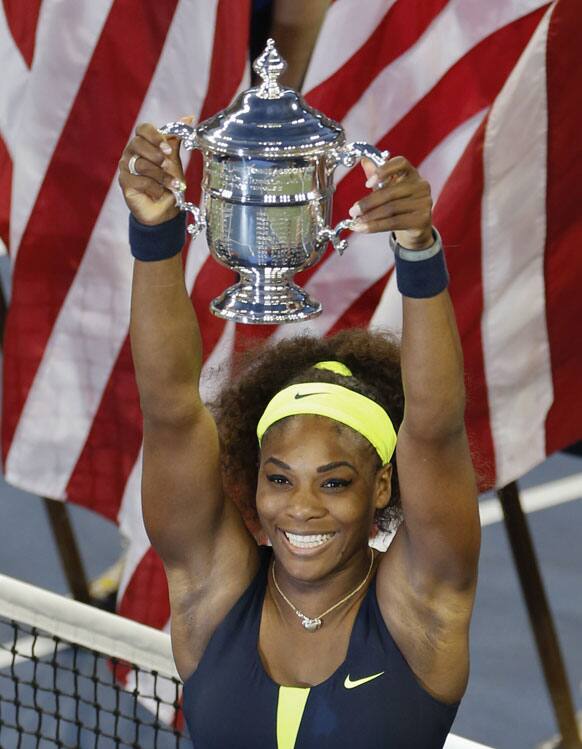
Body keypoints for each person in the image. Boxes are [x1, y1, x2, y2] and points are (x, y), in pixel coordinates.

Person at [118, 122, 480, 748]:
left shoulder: (419, 608)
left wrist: (418, 252)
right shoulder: (213, 589)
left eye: (334, 482)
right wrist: (154, 232)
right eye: (279, 477)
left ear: (383, 483)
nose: (301, 508)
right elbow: (171, 409)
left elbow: (434, 430)